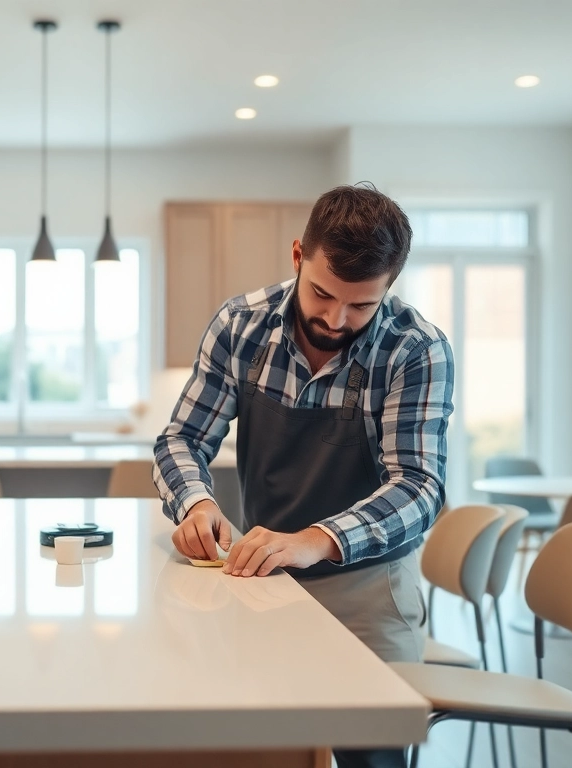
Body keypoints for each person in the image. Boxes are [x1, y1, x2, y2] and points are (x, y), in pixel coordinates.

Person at [152, 184, 454, 768]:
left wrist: (315, 542)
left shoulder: (416, 350)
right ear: (298, 255)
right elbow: (181, 438)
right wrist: (194, 504)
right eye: (322, 293)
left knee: (373, 759)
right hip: (260, 581)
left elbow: (419, 487)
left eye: (361, 305)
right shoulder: (241, 326)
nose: (336, 320)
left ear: (390, 286)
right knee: (271, 749)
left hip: (369, 593)